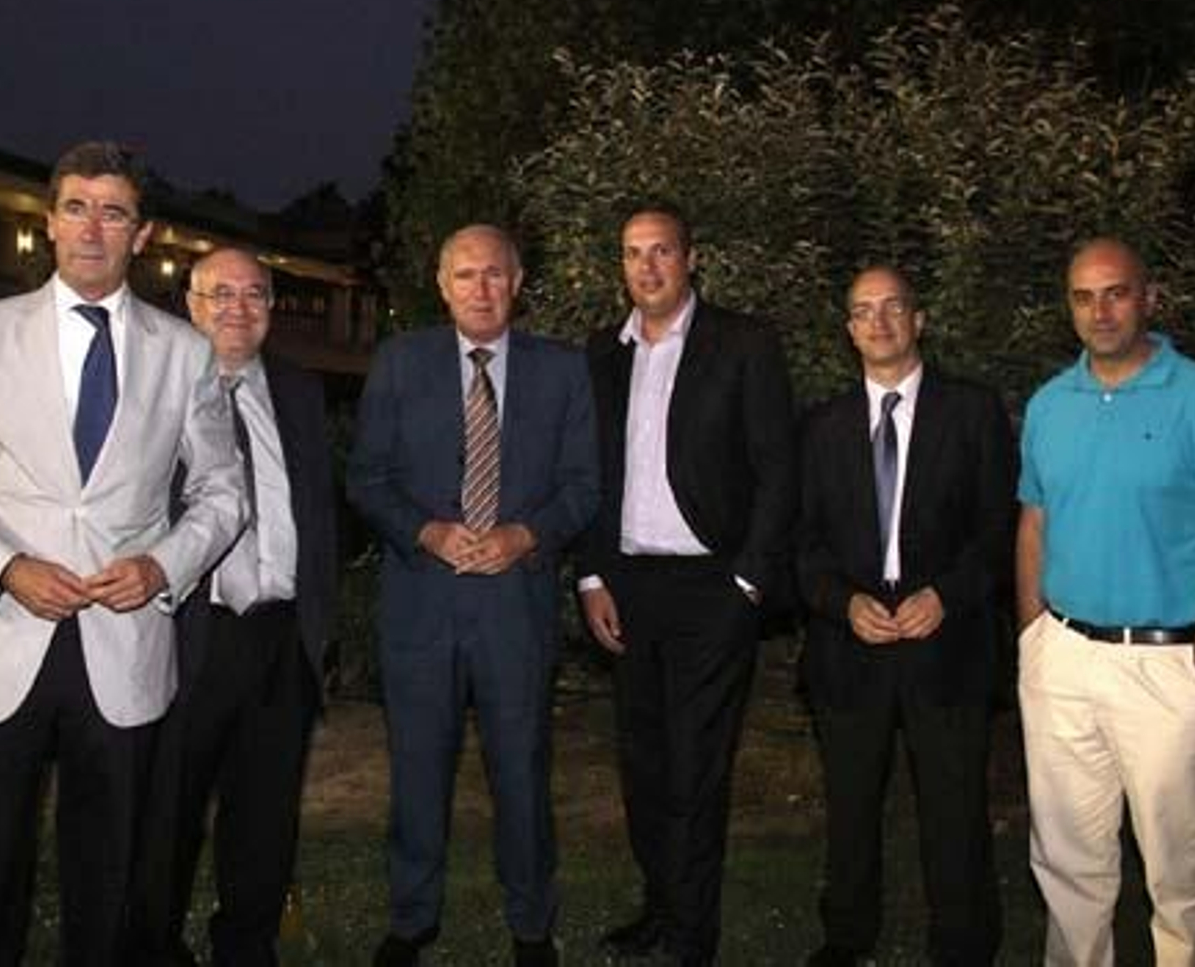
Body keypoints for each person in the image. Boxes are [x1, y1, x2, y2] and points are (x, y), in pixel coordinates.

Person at [0, 140, 245, 966]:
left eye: (114, 211)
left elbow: (224, 493)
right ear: (49, 222)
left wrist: (163, 565)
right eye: (77, 207)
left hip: (124, 654)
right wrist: (7, 568)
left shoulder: (185, 351)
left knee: (109, 881)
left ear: (142, 232)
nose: (94, 227)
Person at [346, 224, 598, 967]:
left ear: (517, 282)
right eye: (465, 275)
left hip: (514, 607)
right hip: (421, 603)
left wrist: (527, 535)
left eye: (494, 274)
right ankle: (412, 918)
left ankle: (530, 923)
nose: (480, 289)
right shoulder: (400, 362)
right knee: (417, 770)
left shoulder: (563, 370)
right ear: (441, 283)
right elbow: (366, 478)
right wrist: (426, 532)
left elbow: (585, 486)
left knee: (521, 770)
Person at [1016, 237, 1195, 965]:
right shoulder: (1048, 406)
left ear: (1149, 298)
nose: (1100, 310)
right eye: (1083, 296)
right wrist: (1034, 633)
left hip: (1167, 666)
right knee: (1067, 863)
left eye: (1116, 292)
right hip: (1061, 661)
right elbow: (1034, 520)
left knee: (1181, 874)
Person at [578, 203, 797, 966]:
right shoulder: (602, 353)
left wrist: (748, 583)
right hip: (628, 587)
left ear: (691, 258)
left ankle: (692, 936)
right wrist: (592, 576)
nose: (647, 267)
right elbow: (590, 477)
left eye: (661, 251)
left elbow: (778, 470)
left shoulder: (743, 343)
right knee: (643, 762)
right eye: (633, 253)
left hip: (713, 585)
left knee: (696, 767)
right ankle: (660, 907)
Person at [797, 266, 1012, 967]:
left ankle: (963, 940)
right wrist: (842, 602)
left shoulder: (974, 412)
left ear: (918, 320)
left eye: (893, 307)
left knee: (954, 807)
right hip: (850, 644)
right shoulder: (821, 427)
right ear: (849, 329)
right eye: (863, 310)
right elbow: (800, 546)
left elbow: (1001, 530)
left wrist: (947, 595)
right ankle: (848, 933)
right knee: (852, 806)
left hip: (946, 640)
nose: (879, 322)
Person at [132, 248, 339, 965]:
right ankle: (153, 947)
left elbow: (317, 512)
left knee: (264, 816)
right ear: (189, 304)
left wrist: (318, 628)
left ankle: (246, 948)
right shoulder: (152, 391)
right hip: (192, 636)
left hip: (281, 641)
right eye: (219, 294)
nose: (237, 308)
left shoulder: (299, 389)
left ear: (272, 308)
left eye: (254, 295)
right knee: (169, 812)